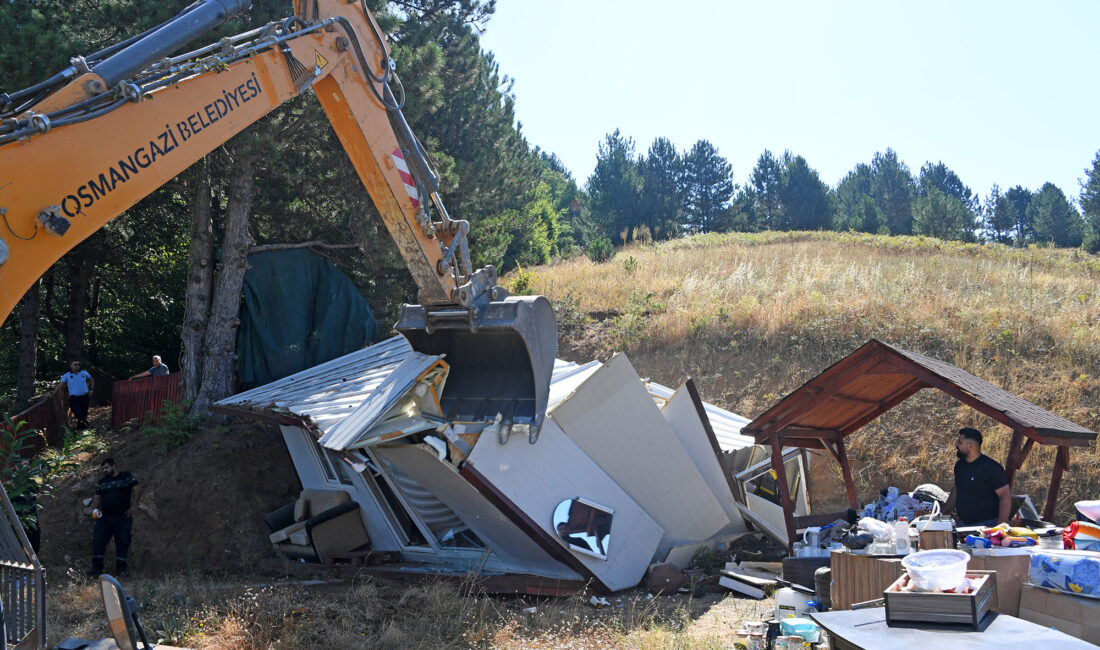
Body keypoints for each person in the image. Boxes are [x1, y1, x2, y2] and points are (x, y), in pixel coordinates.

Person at [944, 427, 1011, 527]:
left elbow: (1005, 496)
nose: (956, 445)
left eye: (960, 442)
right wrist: (943, 512)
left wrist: (1001, 528)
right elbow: (957, 489)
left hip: (988, 526)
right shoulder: (959, 466)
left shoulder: (991, 468)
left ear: (971, 445)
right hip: (964, 524)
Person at [87, 458, 142, 577]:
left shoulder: (126, 476)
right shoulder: (102, 482)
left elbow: (137, 488)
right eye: (102, 469)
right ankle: (96, 569)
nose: (104, 470)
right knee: (98, 541)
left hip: (123, 517)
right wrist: (92, 510)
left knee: (123, 542)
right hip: (104, 518)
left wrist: (134, 506)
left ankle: (121, 569)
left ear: (114, 466)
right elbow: (97, 498)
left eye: (106, 467)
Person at [59, 360, 94, 430]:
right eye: (75, 365)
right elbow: (60, 385)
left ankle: (80, 429)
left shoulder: (84, 373)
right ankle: (87, 424)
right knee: (77, 413)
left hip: (85, 397)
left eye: (78, 365)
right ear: (71, 366)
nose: (77, 366)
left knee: (84, 413)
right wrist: (53, 392)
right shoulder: (67, 375)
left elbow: (91, 380)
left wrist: (91, 389)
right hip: (74, 398)